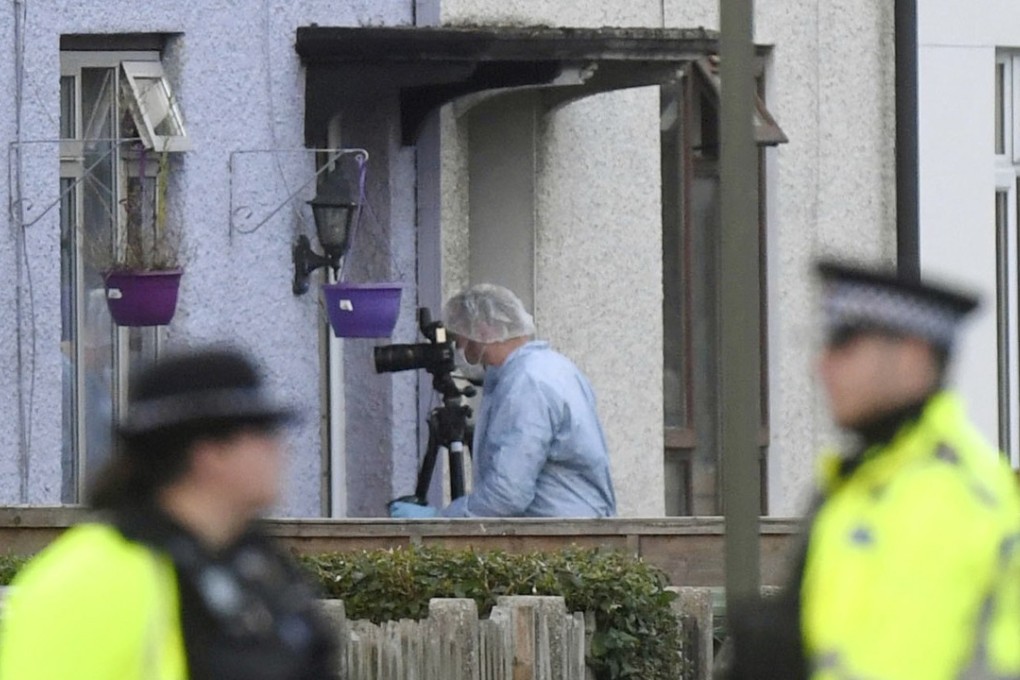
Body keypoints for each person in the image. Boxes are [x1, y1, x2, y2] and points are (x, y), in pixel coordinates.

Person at [724, 259, 1020, 679]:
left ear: (912, 359)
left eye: (844, 343)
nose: (822, 365)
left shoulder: (944, 496)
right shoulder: (865, 482)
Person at [0, 347, 339, 679]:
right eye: (261, 431)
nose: (280, 447)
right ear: (209, 453)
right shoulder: (92, 577)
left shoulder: (254, 563)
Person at [389, 283, 617, 518]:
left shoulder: (526, 383)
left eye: (460, 341)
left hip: (557, 537)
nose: (460, 352)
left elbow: (507, 494)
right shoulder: (554, 367)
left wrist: (441, 520)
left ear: (483, 331)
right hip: (576, 530)